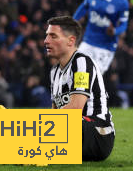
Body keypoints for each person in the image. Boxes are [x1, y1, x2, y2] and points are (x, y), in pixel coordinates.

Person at [44, 16, 115, 161]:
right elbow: (55, 111)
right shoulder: (55, 71)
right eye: (46, 36)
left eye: (53, 36)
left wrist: (37, 125)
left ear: (71, 41)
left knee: (66, 122)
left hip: (98, 133)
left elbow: (75, 109)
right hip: (75, 131)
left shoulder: (81, 62)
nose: (46, 41)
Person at [73, 0, 129, 75]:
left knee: (93, 77)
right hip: (88, 41)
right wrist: (73, 20)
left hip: (105, 47)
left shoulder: (122, 1)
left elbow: (124, 24)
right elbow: (84, 7)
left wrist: (115, 31)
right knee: (78, 74)